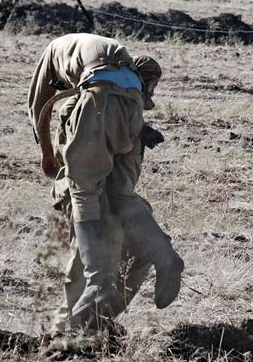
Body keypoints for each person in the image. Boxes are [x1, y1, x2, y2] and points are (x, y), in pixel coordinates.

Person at [28, 34, 184, 334]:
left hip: (101, 101)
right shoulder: (117, 67)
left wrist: (45, 152)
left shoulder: (59, 59)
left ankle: (93, 288)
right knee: (120, 199)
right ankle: (163, 254)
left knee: (84, 196)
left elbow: (39, 106)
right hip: (127, 104)